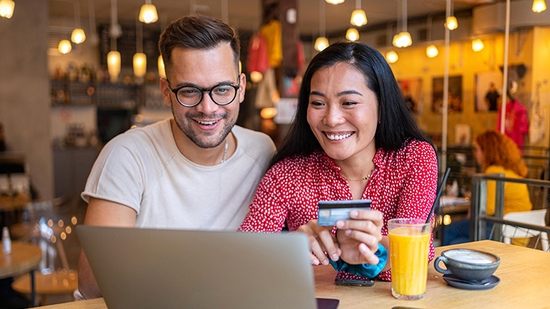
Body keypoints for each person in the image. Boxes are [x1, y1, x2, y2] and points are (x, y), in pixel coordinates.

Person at [77, 15, 276, 299]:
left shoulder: (262, 151)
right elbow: (93, 281)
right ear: (166, 92)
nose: (208, 108)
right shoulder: (127, 156)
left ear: (241, 88)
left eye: (222, 89)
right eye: (189, 91)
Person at [239, 42, 439, 282]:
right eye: (318, 103)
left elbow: (413, 246)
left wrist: (359, 253)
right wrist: (289, 249)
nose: (331, 119)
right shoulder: (287, 174)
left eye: (349, 103)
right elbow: (245, 257)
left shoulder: (413, 158)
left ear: (382, 105)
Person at [442, 130, 532, 245]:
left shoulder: (493, 171)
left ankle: (437, 261)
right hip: (519, 233)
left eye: (477, 149)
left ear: (487, 151)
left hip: (502, 230)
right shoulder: (510, 171)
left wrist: (472, 203)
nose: (475, 153)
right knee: (457, 242)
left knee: (448, 230)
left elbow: (487, 208)